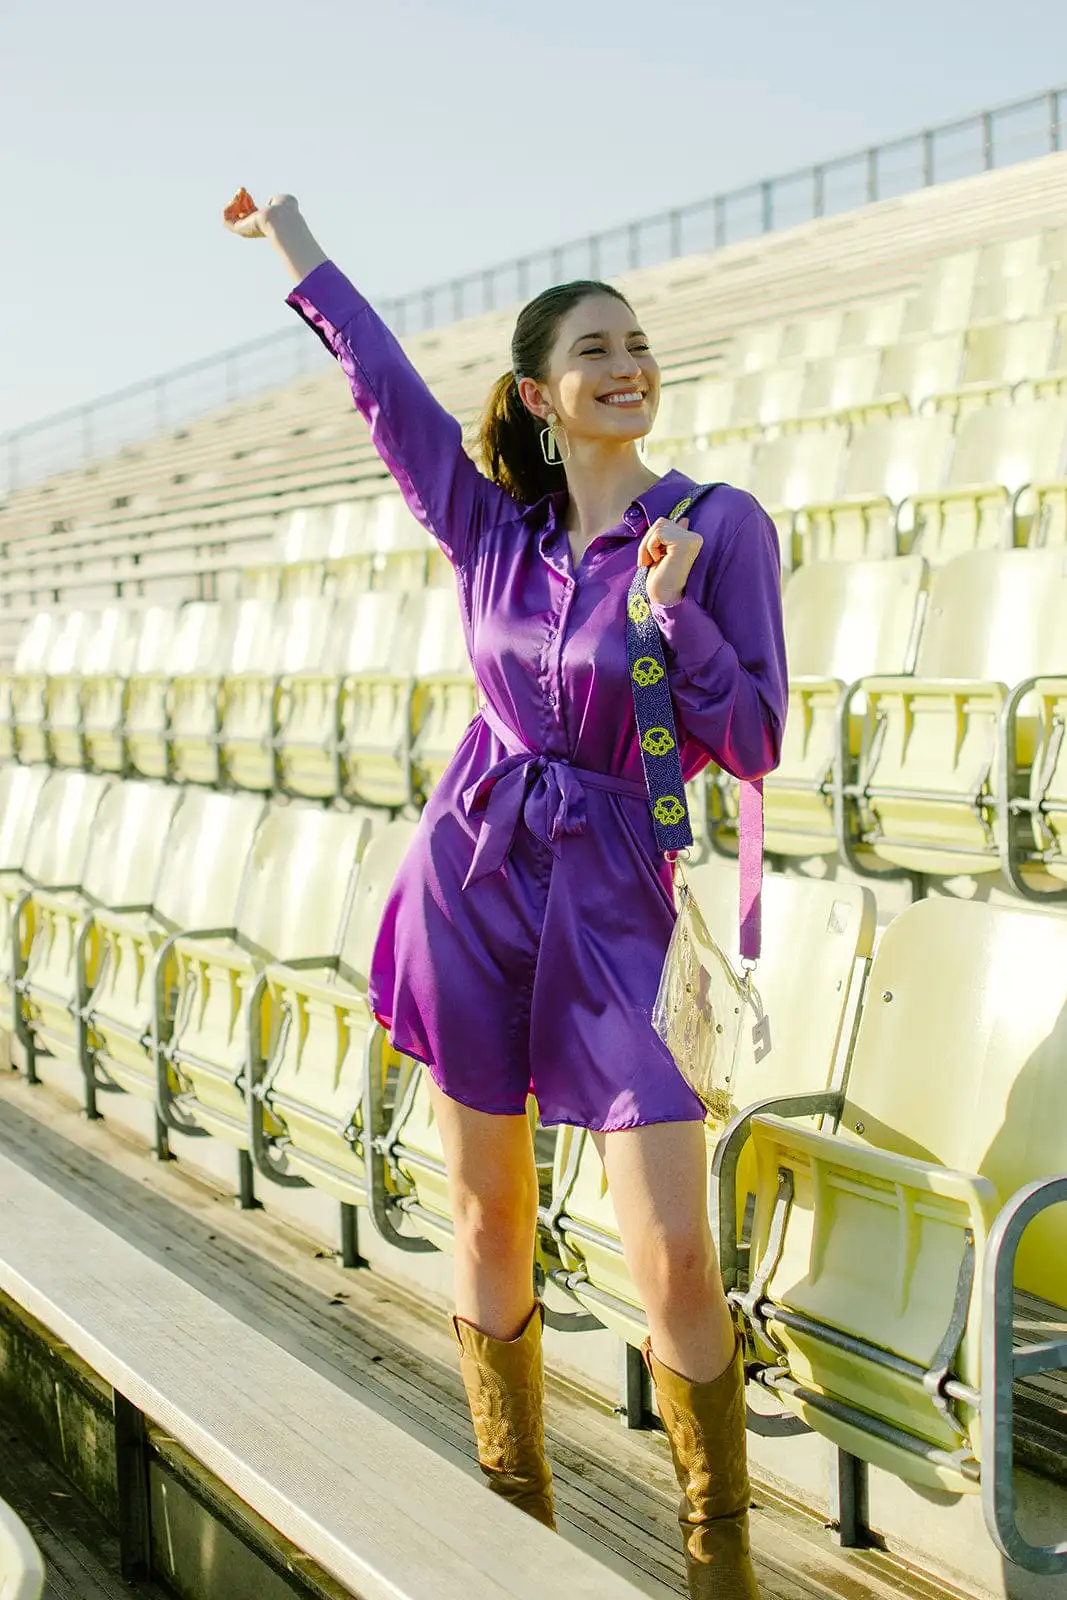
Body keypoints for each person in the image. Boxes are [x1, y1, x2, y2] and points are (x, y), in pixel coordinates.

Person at [227, 191, 786, 1600]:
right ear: (540, 397)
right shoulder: (490, 530)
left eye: (638, 344)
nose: (626, 364)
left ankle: (717, 1567)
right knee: (483, 1213)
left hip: (614, 907)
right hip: (469, 878)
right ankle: (513, 1535)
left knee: (668, 1251)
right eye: (594, 349)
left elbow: (758, 740)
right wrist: (299, 245)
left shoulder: (716, 528)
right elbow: (385, 390)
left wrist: (675, 614)